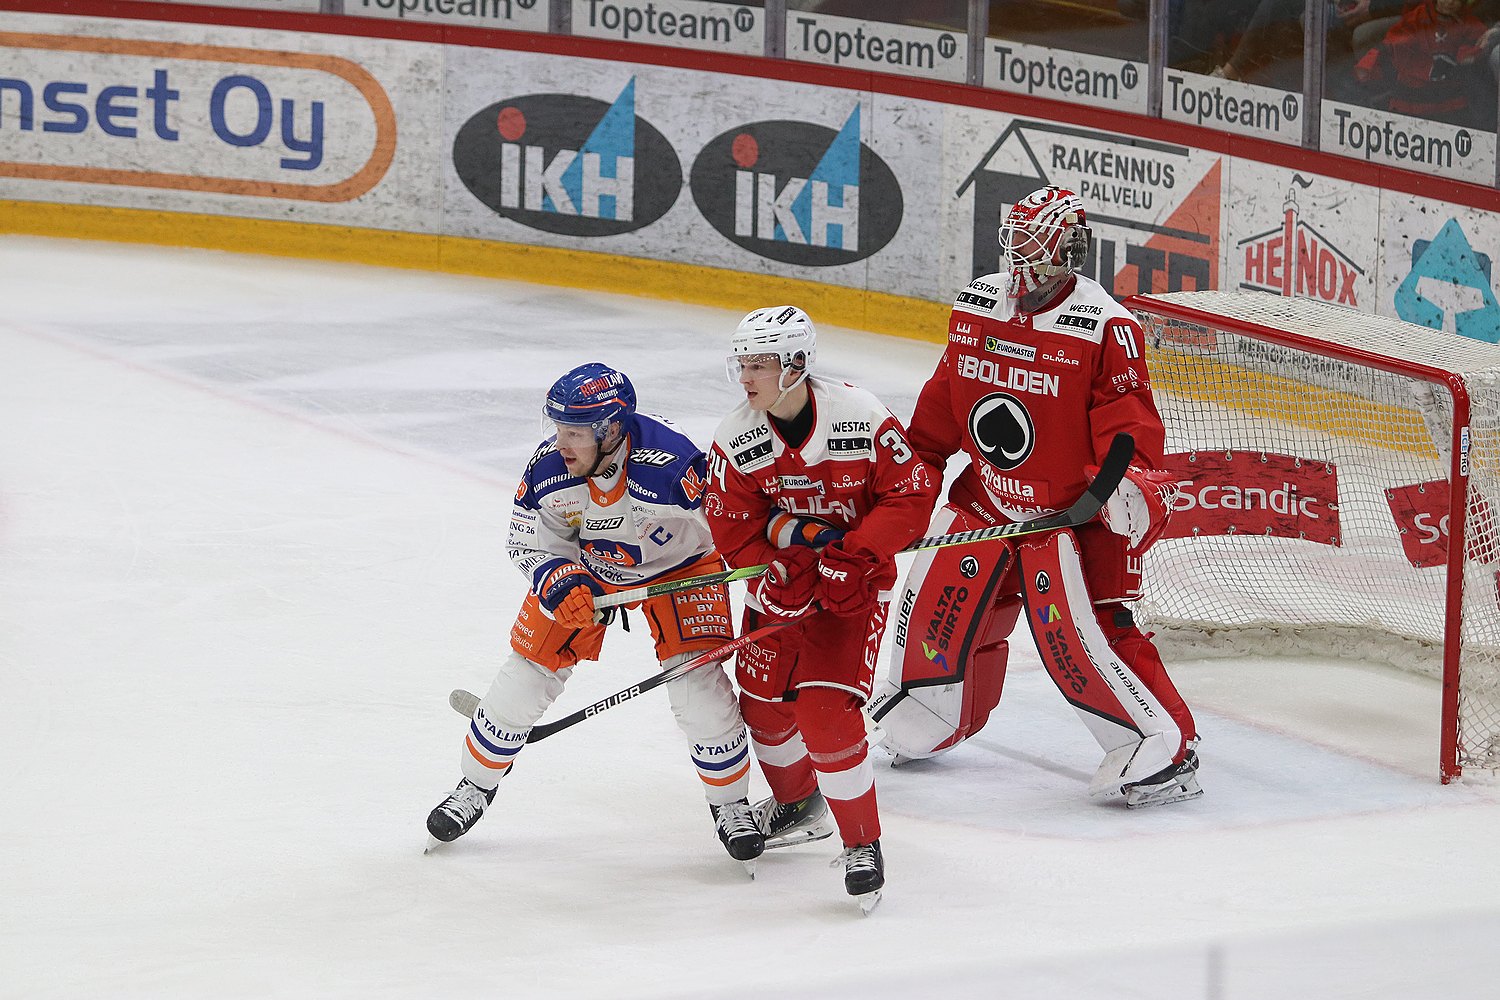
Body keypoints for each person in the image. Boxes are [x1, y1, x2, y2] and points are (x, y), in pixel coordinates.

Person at [867, 186, 1203, 809]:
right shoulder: (978, 305)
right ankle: (927, 705)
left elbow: (1128, 423)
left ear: (1069, 252)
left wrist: (1122, 490)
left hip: (1076, 514)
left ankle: (1168, 748)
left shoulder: (1106, 327)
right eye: (1014, 250)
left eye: (1035, 252)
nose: (1021, 267)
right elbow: (944, 399)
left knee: (1097, 627)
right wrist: (915, 481)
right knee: (939, 598)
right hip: (991, 500)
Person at [426, 362, 764, 867]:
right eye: (558, 428)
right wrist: (558, 577)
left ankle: (732, 804)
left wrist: (781, 566)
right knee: (524, 676)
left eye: (576, 433)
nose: (562, 444)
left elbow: (739, 524)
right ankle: (474, 787)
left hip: (681, 570)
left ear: (611, 430)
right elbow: (527, 540)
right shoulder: (549, 470)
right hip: (593, 570)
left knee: (698, 692)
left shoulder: (672, 466)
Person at [703, 306, 938, 909]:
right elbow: (734, 534)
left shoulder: (861, 416)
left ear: (797, 365)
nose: (746, 376)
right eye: (743, 363)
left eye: (760, 364)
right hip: (781, 589)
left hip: (853, 588)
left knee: (826, 713)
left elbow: (911, 497)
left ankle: (863, 843)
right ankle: (797, 803)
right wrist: (780, 561)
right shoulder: (736, 438)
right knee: (763, 709)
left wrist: (857, 552)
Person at [1354, 0, 1497, 125]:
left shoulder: (1468, 22)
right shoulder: (1418, 17)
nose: (1450, 2)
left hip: (1450, 88)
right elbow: (1396, 41)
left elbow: (1478, 40)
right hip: (1414, 80)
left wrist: (1468, 54)